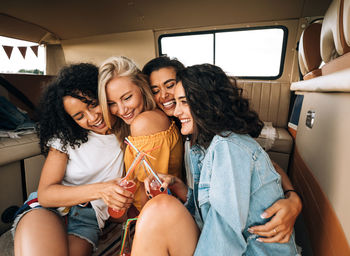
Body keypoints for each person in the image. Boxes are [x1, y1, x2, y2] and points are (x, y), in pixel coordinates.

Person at [131, 64, 300, 255]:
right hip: (230, 240)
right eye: (155, 90)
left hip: (252, 249)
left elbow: (225, 233)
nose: (176, 109)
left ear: (206, 102)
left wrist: (293, 197)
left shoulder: (227, 145)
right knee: (159, 208)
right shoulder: (203, 143)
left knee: (158, 211)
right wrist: (179, 185)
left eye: (184, 101)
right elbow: (210, 210)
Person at [12, 63, 133, 256]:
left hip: (89, 220)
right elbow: (46, 194)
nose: (93, 118)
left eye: (93, 104)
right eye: (79, 116)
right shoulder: (66, 139)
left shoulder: (131, 133)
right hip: (48, 209)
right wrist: (102, 190)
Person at [98, 56, 183, 212]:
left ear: (142, 88)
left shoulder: (144, 123)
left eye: (127, 98)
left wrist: (139, 227)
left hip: (156, 214)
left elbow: (149, 191)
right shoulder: (153, 117)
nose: (122, 110)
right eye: (112, 104)